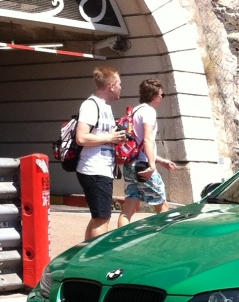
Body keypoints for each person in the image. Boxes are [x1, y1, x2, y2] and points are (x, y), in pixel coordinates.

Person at [118, 78, 178, 226]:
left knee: (128, 209)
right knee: (163, 207)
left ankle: (120, 241)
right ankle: (163, 242)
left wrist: (161, 160)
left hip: (130, 165)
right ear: (154, 96)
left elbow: (138, 145)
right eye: (161, 95)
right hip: (143, 166)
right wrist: (152, 165)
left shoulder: (135, 111)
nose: (162, 98)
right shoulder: (149, 112)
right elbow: (147, 140)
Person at [74, 66, 125, 241]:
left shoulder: (105, 107)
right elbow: (81, 137)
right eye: (119, 84)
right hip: (94, 168)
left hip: (102, 168)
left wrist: (115, 137)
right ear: (111, 86)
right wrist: (110, 136)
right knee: (102, 218)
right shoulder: (91, 105)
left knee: (99, 216)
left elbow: (100, 136)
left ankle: (83, 254)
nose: (120, 88)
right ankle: (94, 259)